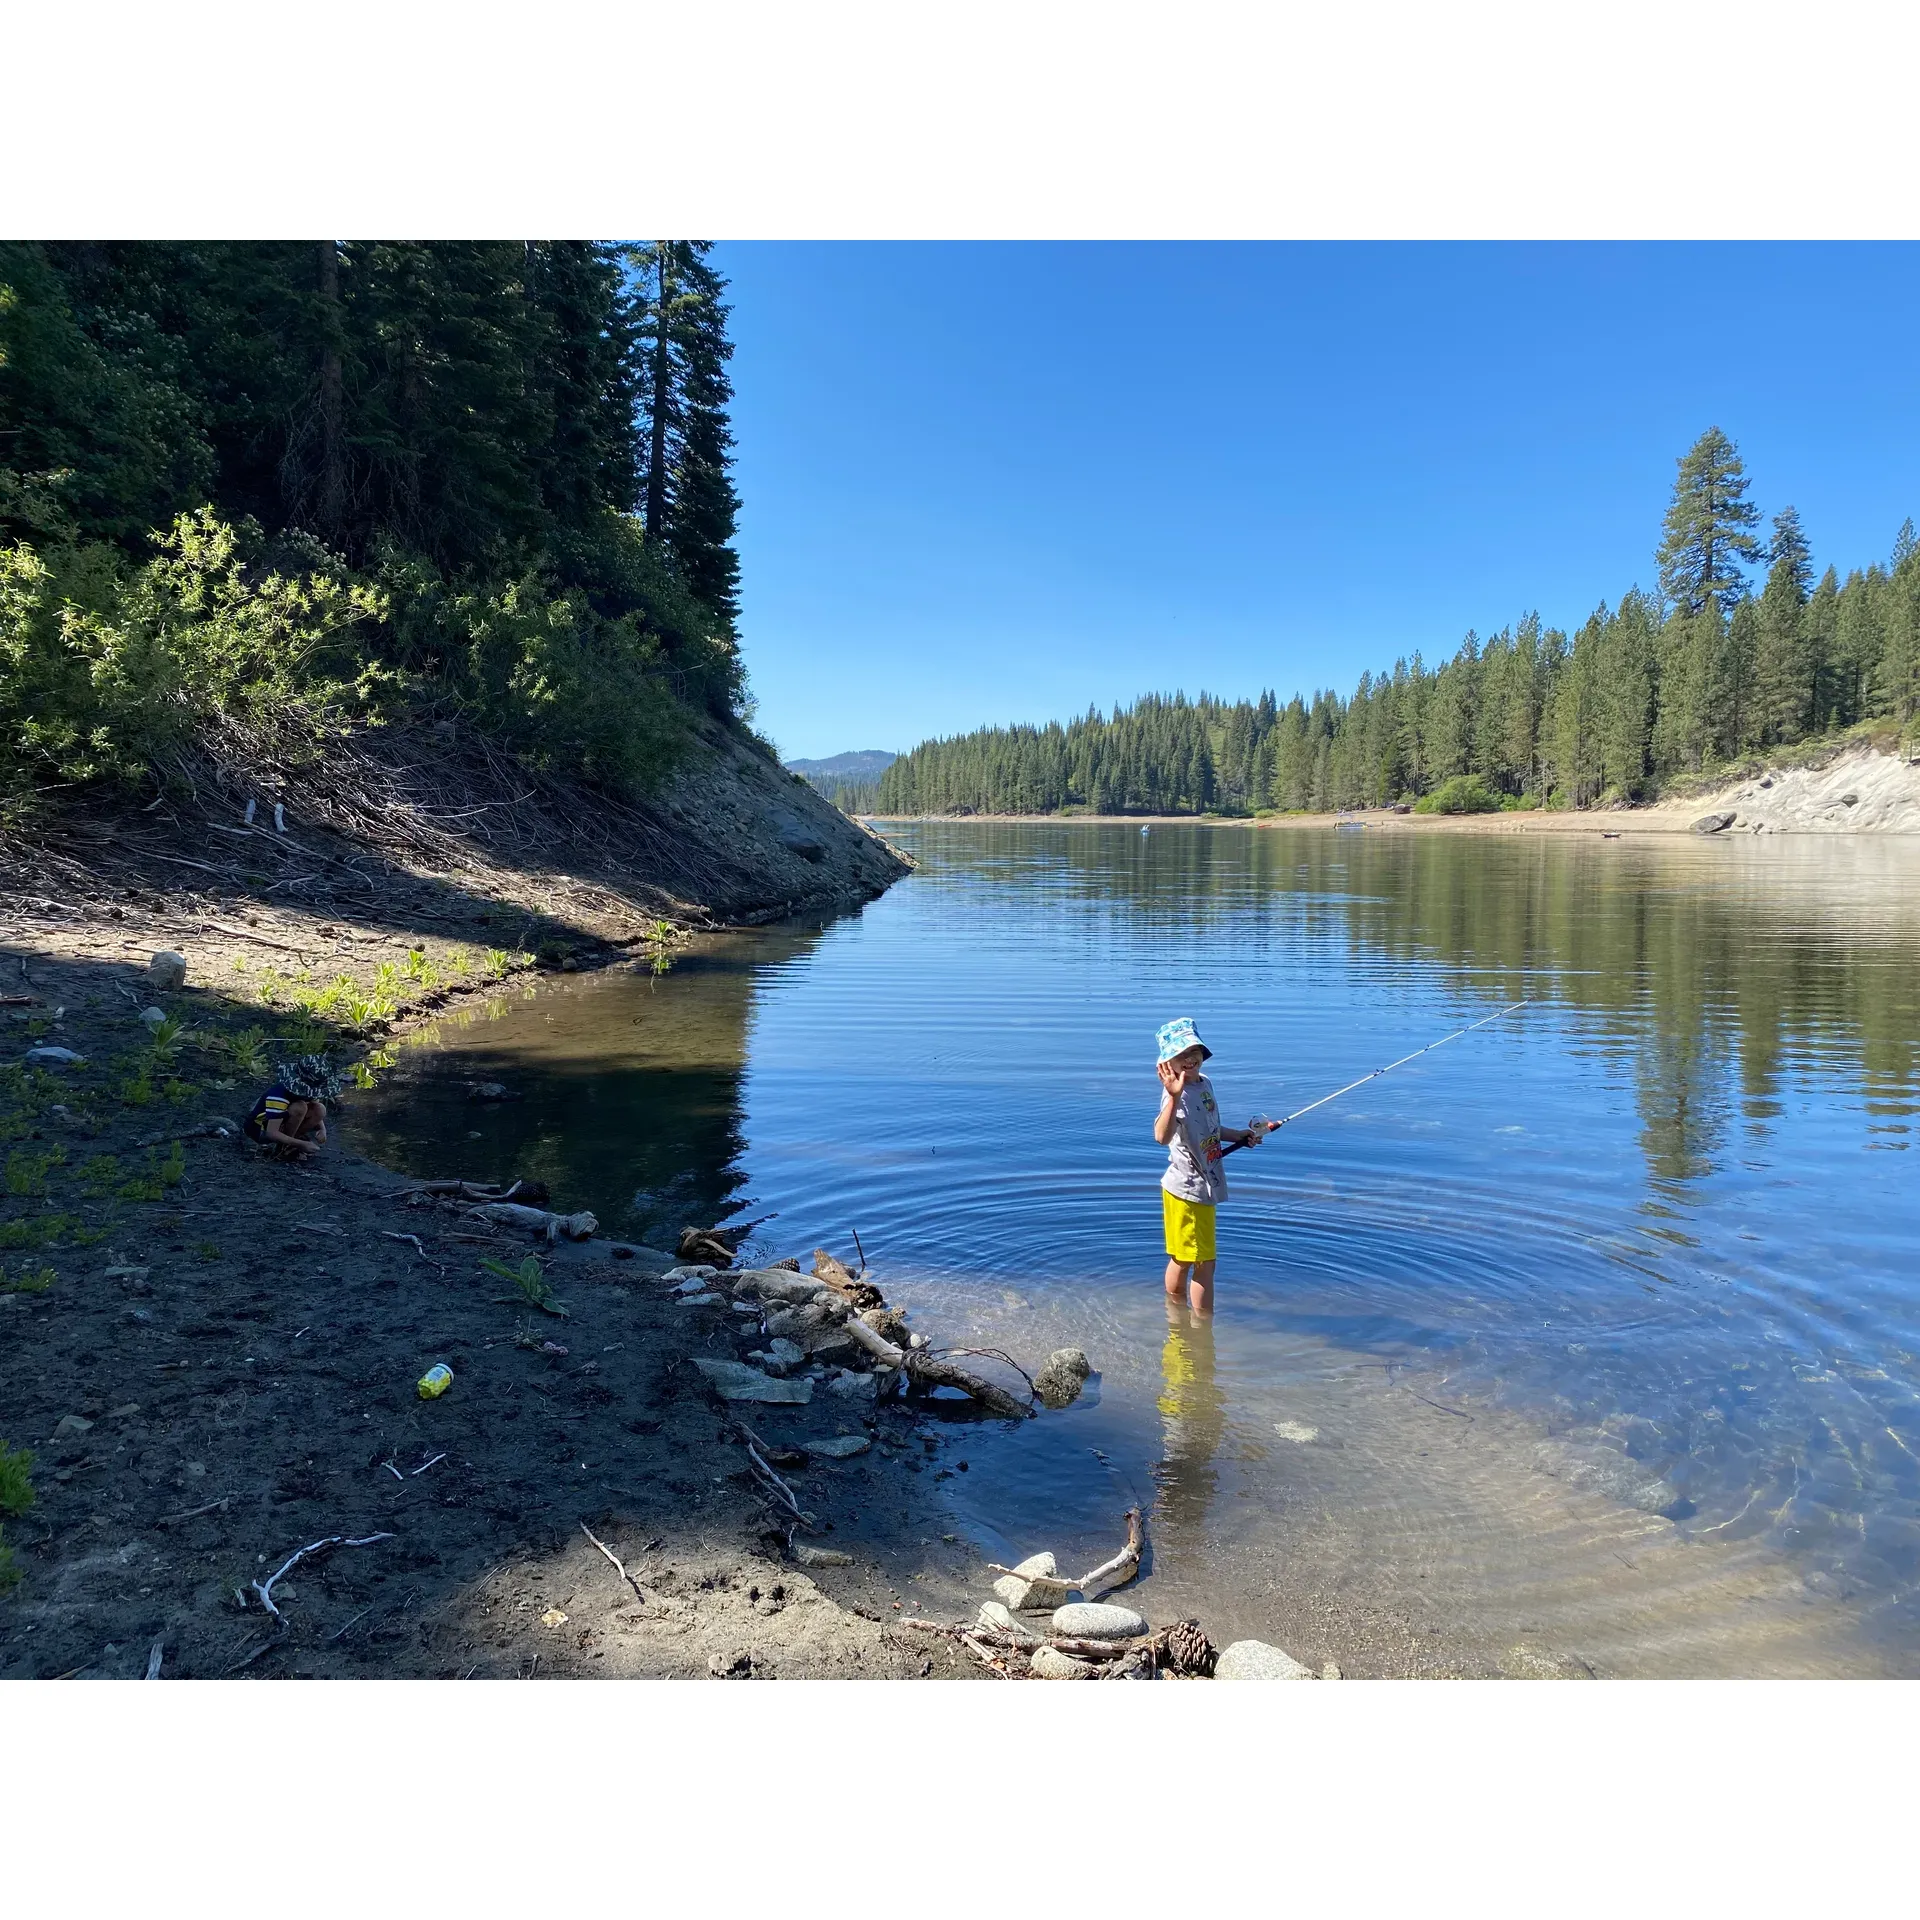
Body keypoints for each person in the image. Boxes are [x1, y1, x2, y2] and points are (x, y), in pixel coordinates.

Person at [1153, 1017, 1260, 1313]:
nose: (1189, 1058)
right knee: (1204, 1263)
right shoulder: (1176, 1095)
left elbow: (1208, 1128)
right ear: (1168, 1064)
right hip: (1188, 1191)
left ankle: (1175, 1312)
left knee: (1184, 1258)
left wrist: (1236, 1135)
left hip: (1198, 1187)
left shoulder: (1205, 1085)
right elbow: (1162, 1136)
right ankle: (1201, 1330)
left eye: (1194, 1050)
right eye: (1180, 1054)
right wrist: (1173, 1098)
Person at [243, 1054, 344, 1160]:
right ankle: (284, 1147)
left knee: (320, 1109)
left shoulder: (307, 1092)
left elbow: (315, 1107)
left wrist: (322, 1130)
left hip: (282, 1123)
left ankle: (290, 1142)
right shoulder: (278, 1095)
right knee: (300, 1107)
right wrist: (301, 1144)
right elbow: (271, 1133)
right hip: (260, 1131)